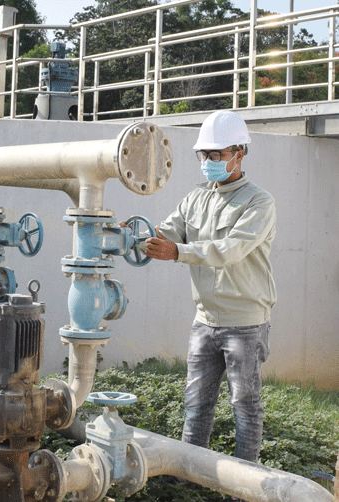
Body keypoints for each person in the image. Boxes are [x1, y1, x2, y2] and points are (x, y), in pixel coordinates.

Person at [139, 110, 276, 496]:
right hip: (205, 320)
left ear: (239, 153)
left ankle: (244, 484)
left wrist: (176, 251)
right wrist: (134, 233)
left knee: (244, 405)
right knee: (196, 404)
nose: (210, 162)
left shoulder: (258, 202)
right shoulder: (195, 198)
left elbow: (229, 250)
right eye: (205, 155)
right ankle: (187, 477)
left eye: (218, 154)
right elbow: (166, 232)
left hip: (245, 322)